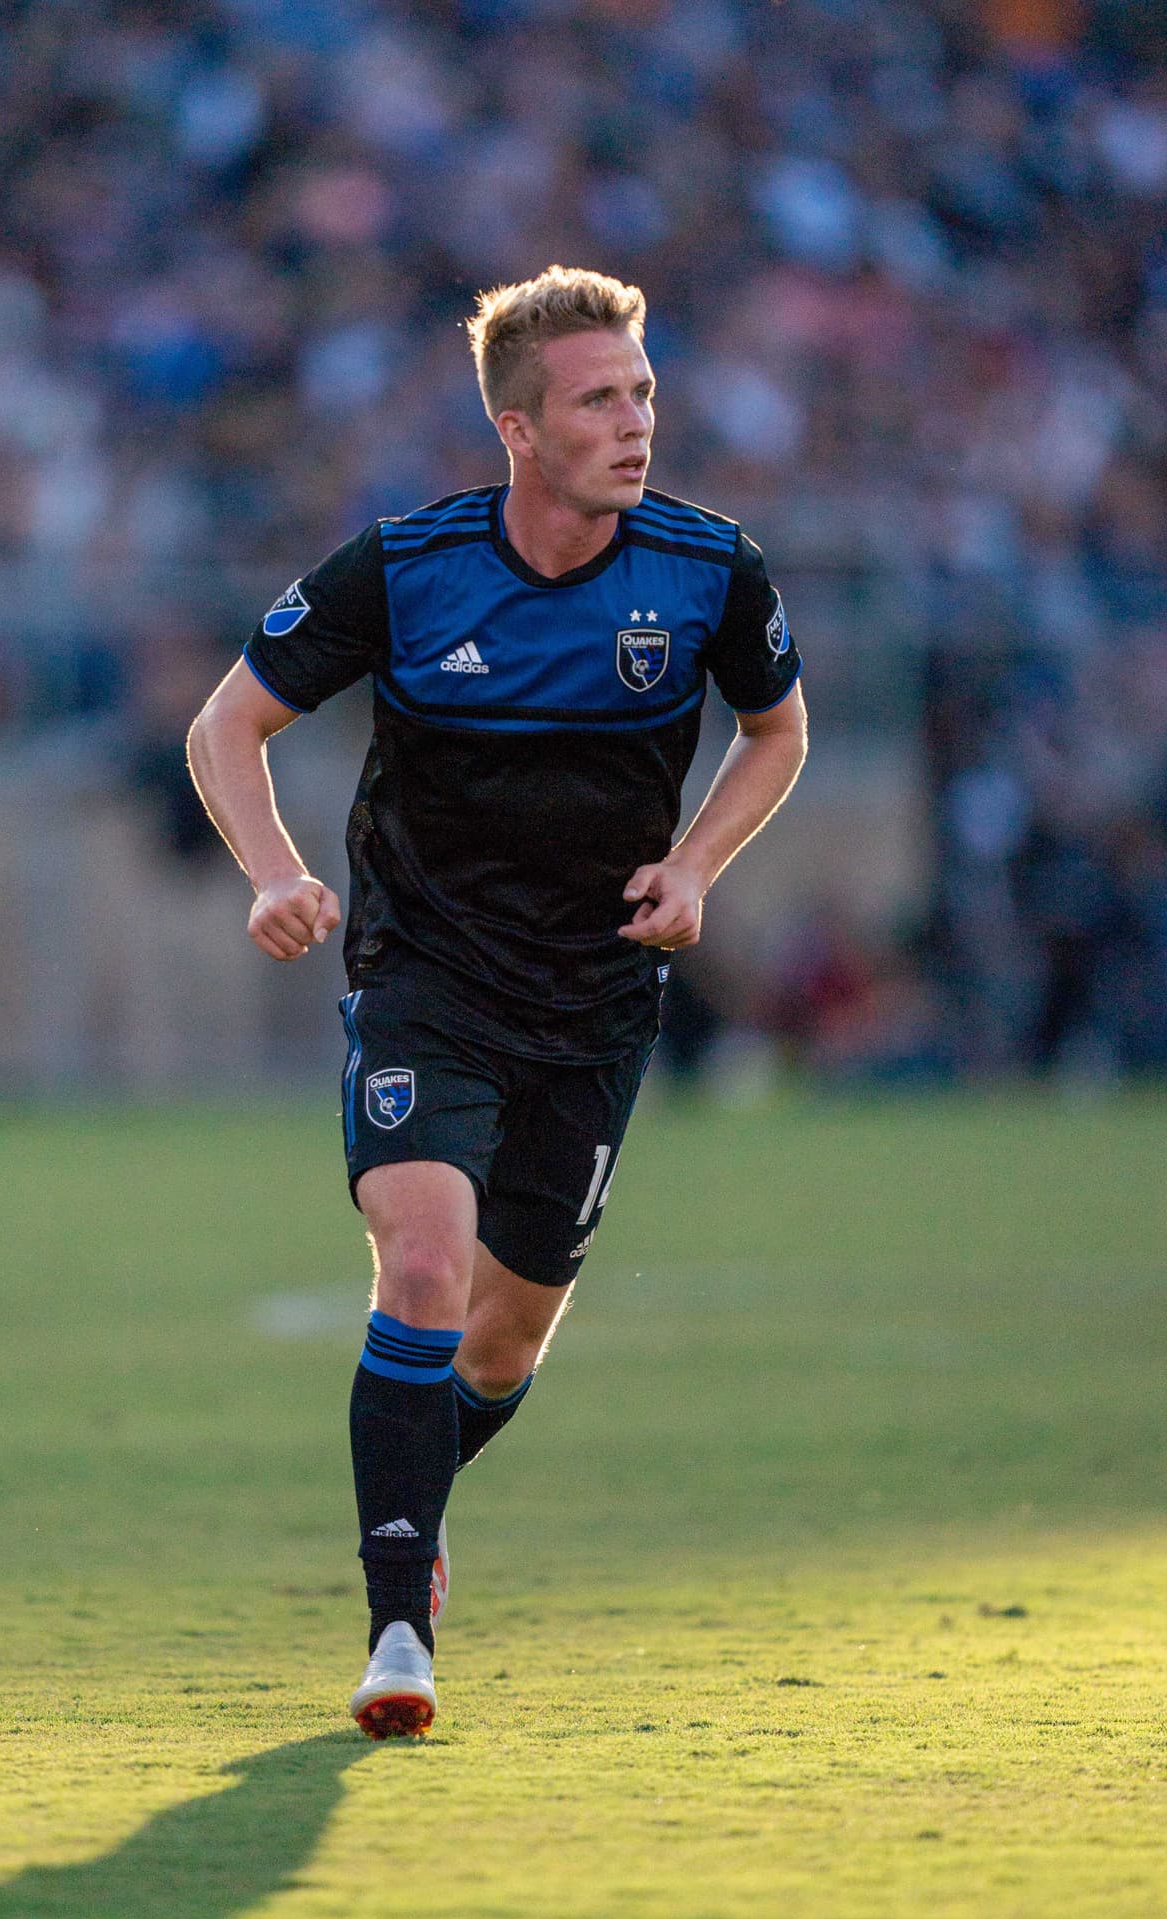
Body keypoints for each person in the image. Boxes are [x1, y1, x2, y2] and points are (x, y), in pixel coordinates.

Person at [186, 265, 807, 1738]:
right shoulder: (407, 570)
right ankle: (398, 1628)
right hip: (426, 981)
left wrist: (698, 864)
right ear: (521, 431)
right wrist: (272, 873)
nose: (637, 422)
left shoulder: (712, 569)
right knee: (421, 1264)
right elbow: (228, 725)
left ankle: (418, 1501)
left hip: (596, 1004)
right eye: (601, 400)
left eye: (644, 392)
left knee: (505, 1342)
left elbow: (777, 733)